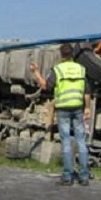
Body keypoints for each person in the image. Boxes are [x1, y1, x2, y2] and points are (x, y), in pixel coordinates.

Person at [30, 43, 92, 186]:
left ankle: (67, 177)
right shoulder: (81, 69)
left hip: (63, 108)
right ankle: (84, 177)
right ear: (72, 54)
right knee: (81, 141)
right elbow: (87, 91)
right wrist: (88, 108)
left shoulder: (58, 69)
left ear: (61, 54)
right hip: (78, 107)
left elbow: (46, 86)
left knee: (66, 142)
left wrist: (36, 72)